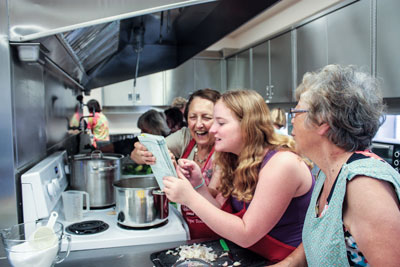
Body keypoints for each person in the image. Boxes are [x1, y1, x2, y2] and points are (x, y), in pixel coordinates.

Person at [163, 89, 315, 262]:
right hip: (252, 256)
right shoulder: (235, 158)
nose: (212, 129)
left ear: (247, 125)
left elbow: (246, 234)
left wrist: (189, 197)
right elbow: (220, 211)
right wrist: (198, 185)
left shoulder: (282, 164)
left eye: (220, 122)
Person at [275, 65, 400, 267]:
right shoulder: (328, 173)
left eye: (296, 112)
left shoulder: (363, 186)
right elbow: (322, 240)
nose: (292, 122)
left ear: (323, 121)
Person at [131, 88, 221, 239]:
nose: (199, 124)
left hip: (218, 234)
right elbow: (137, 155)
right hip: (188, 231)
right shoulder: (186, 137)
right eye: (193, 117)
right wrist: (143, 153)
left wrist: (175, 173)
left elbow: (212, 194)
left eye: (206, 117)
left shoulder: (224, 149)